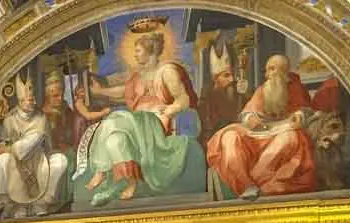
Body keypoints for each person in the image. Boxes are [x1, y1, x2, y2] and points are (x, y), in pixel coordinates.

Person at [76, 30, 201, 203]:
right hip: (136, 124)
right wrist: (100, 91)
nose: (135, 55)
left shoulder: (167, 71)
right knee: (115, 140)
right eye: (134, 51)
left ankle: (101, 170)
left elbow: (184, 98)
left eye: (138, 51)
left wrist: (171, 109)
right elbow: (123, 92)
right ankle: (130, 181)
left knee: (113, 119)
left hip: (156, 123)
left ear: (150, 51)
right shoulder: (138, 75)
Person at [205, 54, 318, 199]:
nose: (267, 74)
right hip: (258, 135)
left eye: (271, 69)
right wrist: (250, 117)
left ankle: (258, 186)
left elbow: (306, 112)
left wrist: (299, 116)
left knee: (289, 138)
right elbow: (247, 112)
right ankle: (246, 185)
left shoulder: (296, 89)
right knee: (229, 136)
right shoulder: (264, 89)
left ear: (283, 70)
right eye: (266, 70)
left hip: (283, 132)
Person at [0, 75, 68, 218]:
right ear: (20, 101)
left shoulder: (40, 118)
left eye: (33, 99)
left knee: (60, 161)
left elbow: (26, 147)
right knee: (2, 160)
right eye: (29, 100)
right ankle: (10, 205)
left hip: (38, 161)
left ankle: (41, 203)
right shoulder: (10, 118)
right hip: (15, 162)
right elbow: (6, 142)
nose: (32, 102)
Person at [198, 49, 245, 147]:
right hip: (216, 142)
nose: (231, 79)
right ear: (216, 79)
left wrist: (242, 94)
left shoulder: (237, 93)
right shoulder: (206, 99)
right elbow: (209, 128)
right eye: (226, 76)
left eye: (232, 75)